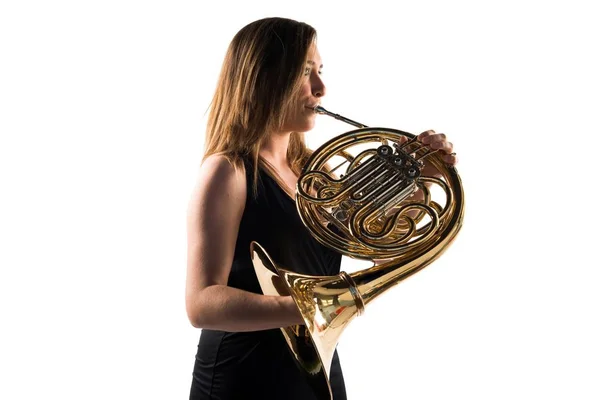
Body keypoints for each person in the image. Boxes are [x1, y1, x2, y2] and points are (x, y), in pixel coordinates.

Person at [185, 17, 458, 400]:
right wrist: (313, 307)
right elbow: (202, 304)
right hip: (241, 379)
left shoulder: (315, 175)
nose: (321, 88)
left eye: (320, 71)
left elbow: (381, 243)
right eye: (305, 72)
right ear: (264, 79)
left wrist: (422, 177)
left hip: (316, 374)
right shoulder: (227, 171)